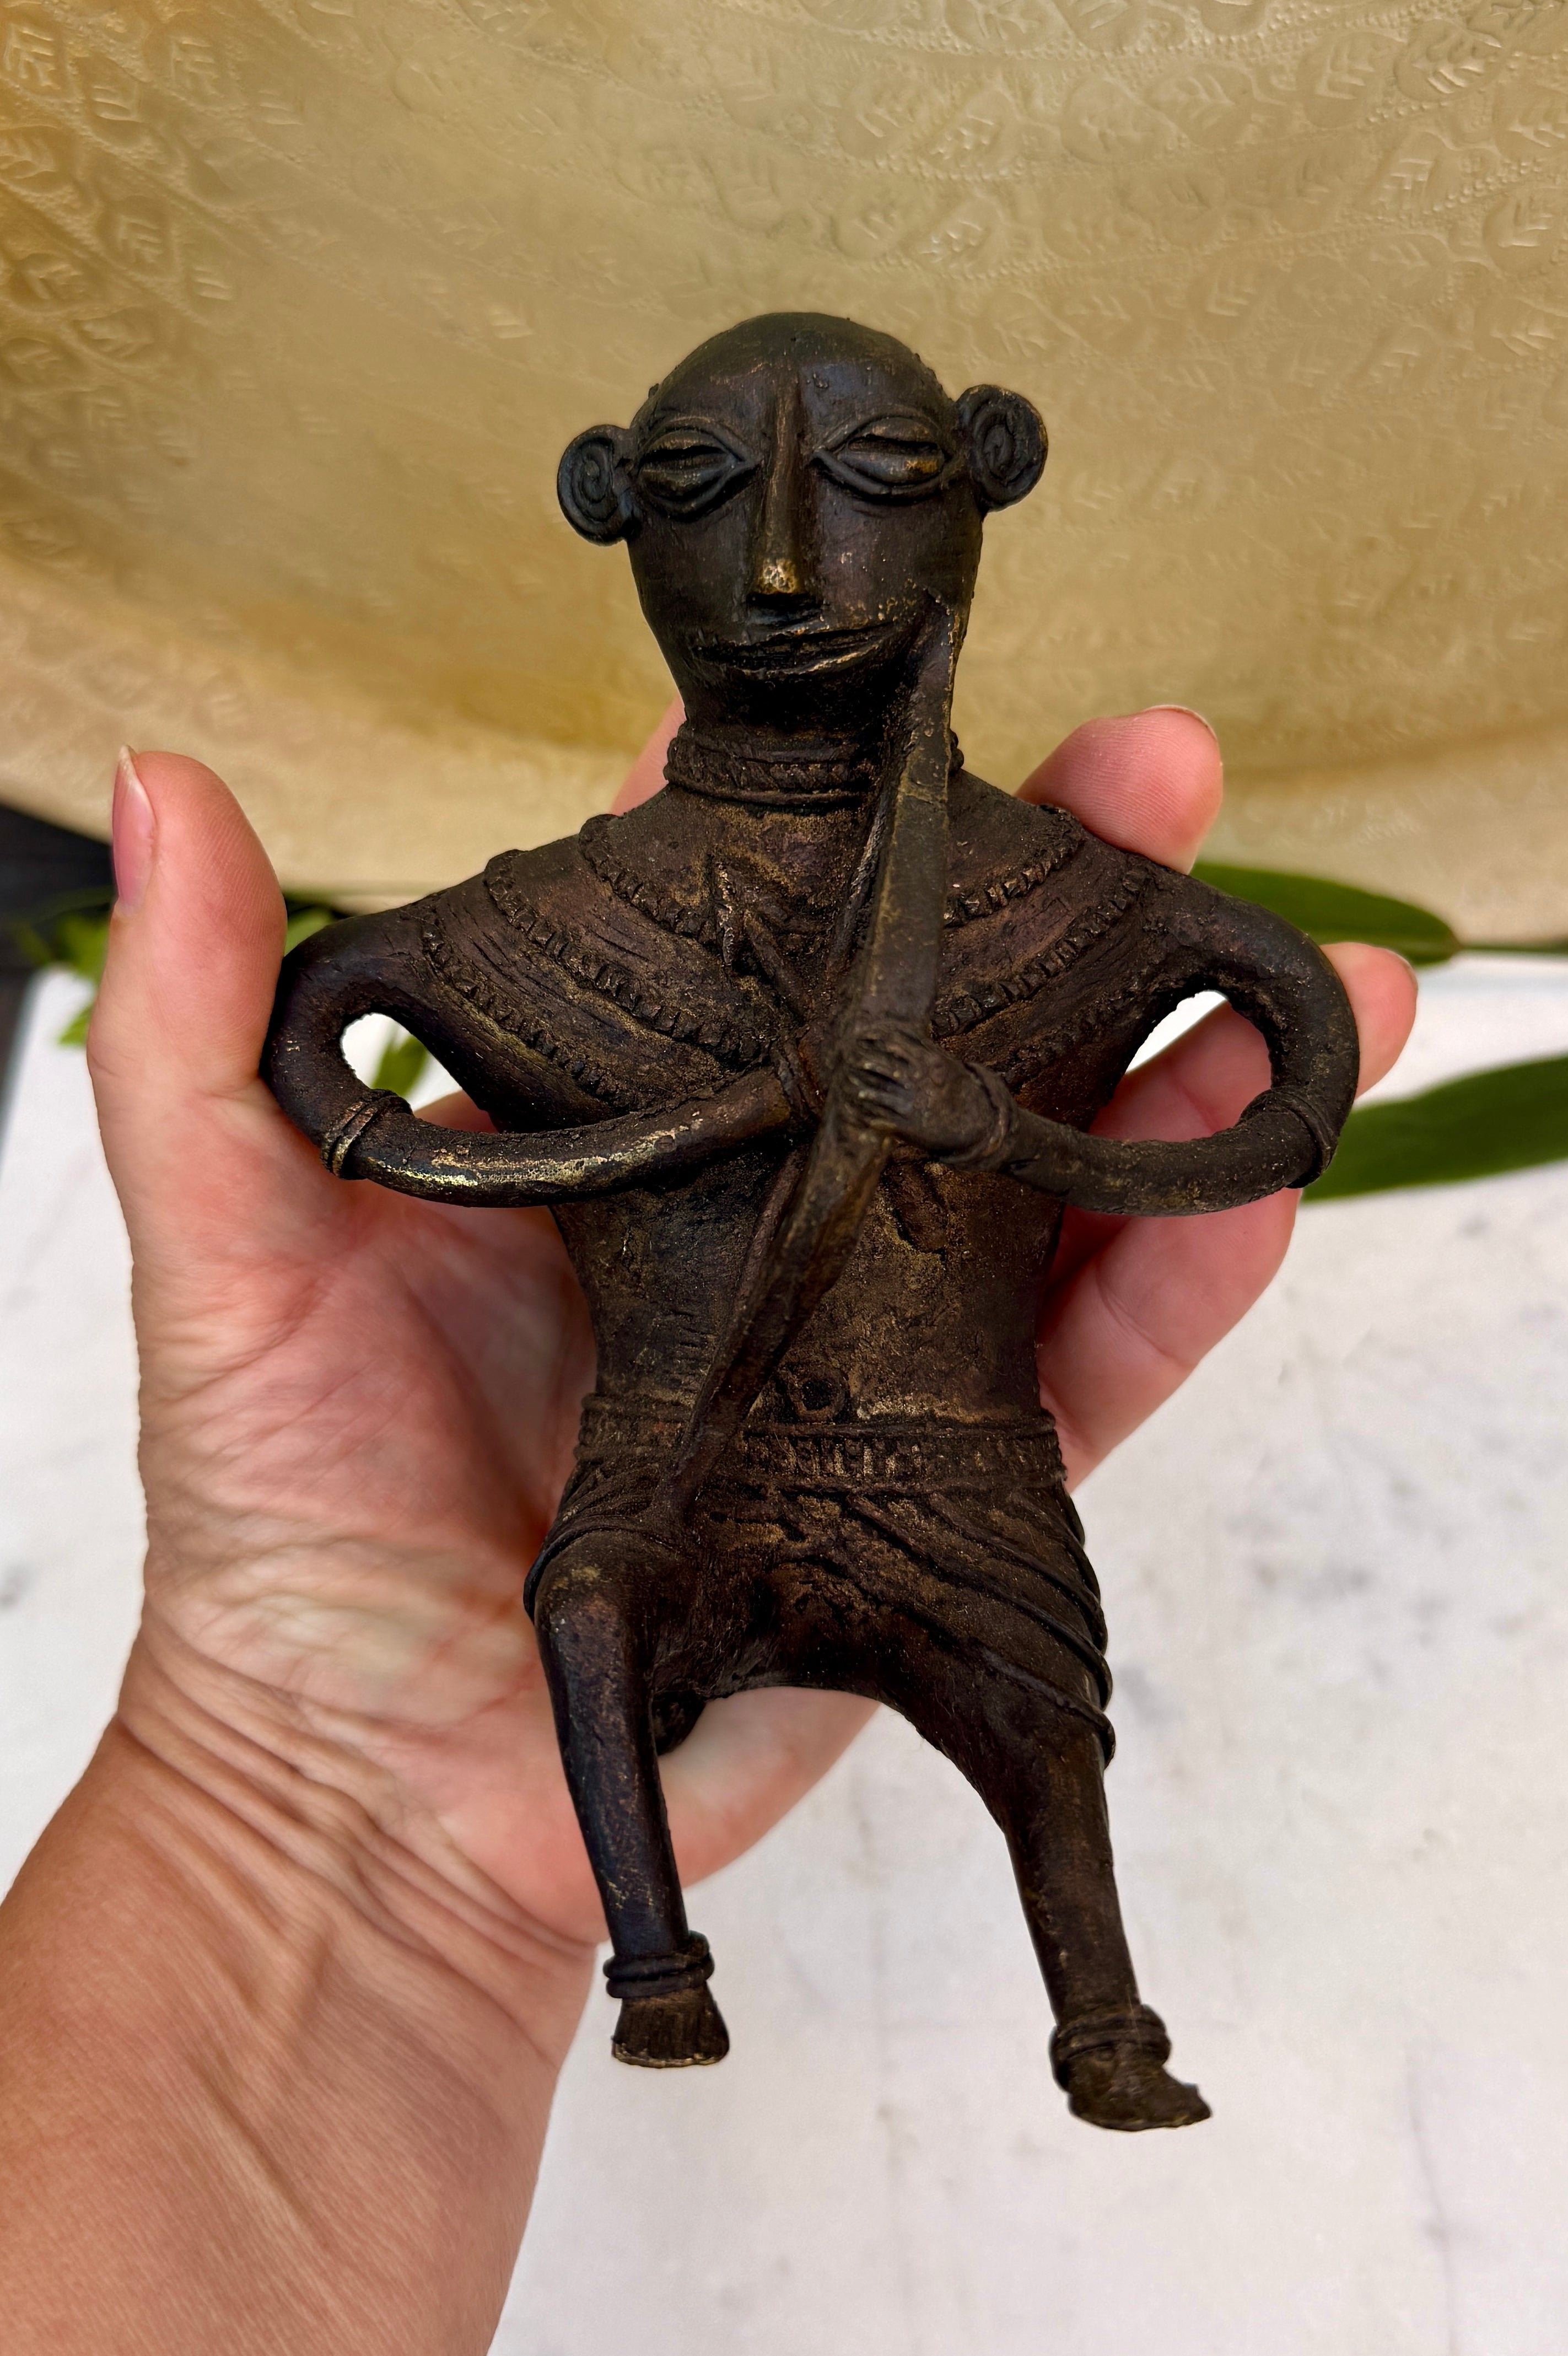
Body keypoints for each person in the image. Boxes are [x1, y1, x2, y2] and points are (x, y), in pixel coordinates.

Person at [0, 701, 1411, 2350]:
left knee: (1038, 1715)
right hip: (667, 1456)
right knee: (590, 1607)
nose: (787, 580)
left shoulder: (1053, 900)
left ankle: (1102, 2014)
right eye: (718, 539)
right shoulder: (551, 926)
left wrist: (999, 1135)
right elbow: (322, 1043)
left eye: (859, 528)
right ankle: (655, 1969)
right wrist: (675, 1124)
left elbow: (1295, 1080)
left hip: (956, 1458)